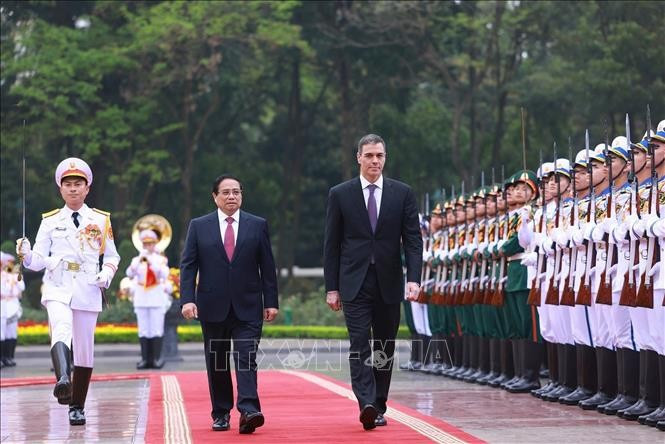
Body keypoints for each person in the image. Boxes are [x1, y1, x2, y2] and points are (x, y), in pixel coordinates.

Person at [324, 134, 422, 430]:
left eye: (379, 156)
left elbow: (413, 241)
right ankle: (365, 402)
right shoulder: (340, 194)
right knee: (359, 344)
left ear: (385, 158)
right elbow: (332, 244)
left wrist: (414, 279)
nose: (375, 161)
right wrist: (332, 287)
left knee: (384, 345)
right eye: (369, 155)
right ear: (359, 158)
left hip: (390, 281)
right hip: (354, 282)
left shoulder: (402, 193)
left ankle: (379, 403)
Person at [16, 157, 120, 426]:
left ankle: (77, 405)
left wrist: (106, 274)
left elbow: (112, 256)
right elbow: (38, 259)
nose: (73, 189)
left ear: (87, 188)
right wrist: (26, 255)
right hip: (58, 283)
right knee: (61, 326)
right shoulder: (50, 221)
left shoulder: (100, 219)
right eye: (68, 184)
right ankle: (63, 378)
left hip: (87, 285)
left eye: (78, 184)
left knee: (85, 350)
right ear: (60, 189)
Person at [180, 174, 278, 434]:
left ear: (242, 195)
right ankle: (221, 412)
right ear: (215, 197)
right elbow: (188, 265)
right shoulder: (199, 226)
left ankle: (248, 410)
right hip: (212, 305)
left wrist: (271, 301)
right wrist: (187, 299)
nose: (231, 196)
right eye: (225, 192)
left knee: (246, 357)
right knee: (217, 361)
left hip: (248, 305)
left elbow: (267, 266)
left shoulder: (257, 225)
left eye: (236, 192)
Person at [126, 229, 170, 369]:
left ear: (155, 244)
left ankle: (157, 359)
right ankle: (145, 359)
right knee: (144, 329)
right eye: (146, 244)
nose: (148, 246)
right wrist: (139, 261)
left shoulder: (161, 259)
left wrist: (152, 262)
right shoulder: (136, 259)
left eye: (151, 243)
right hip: (141, 297)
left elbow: (164, 274)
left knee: (156, 328)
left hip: (156, 296)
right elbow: (130, 274)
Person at [1, 251, 24, 367]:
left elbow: (21, 288)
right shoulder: (3, 275)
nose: (9, 265)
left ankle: (9, 357)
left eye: (10, 262)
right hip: (4, 303)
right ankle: (3, 358)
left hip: (12, 304)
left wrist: (15, 278)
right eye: (6, 263)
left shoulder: (13, 275)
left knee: (11, 332)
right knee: (2, 332)